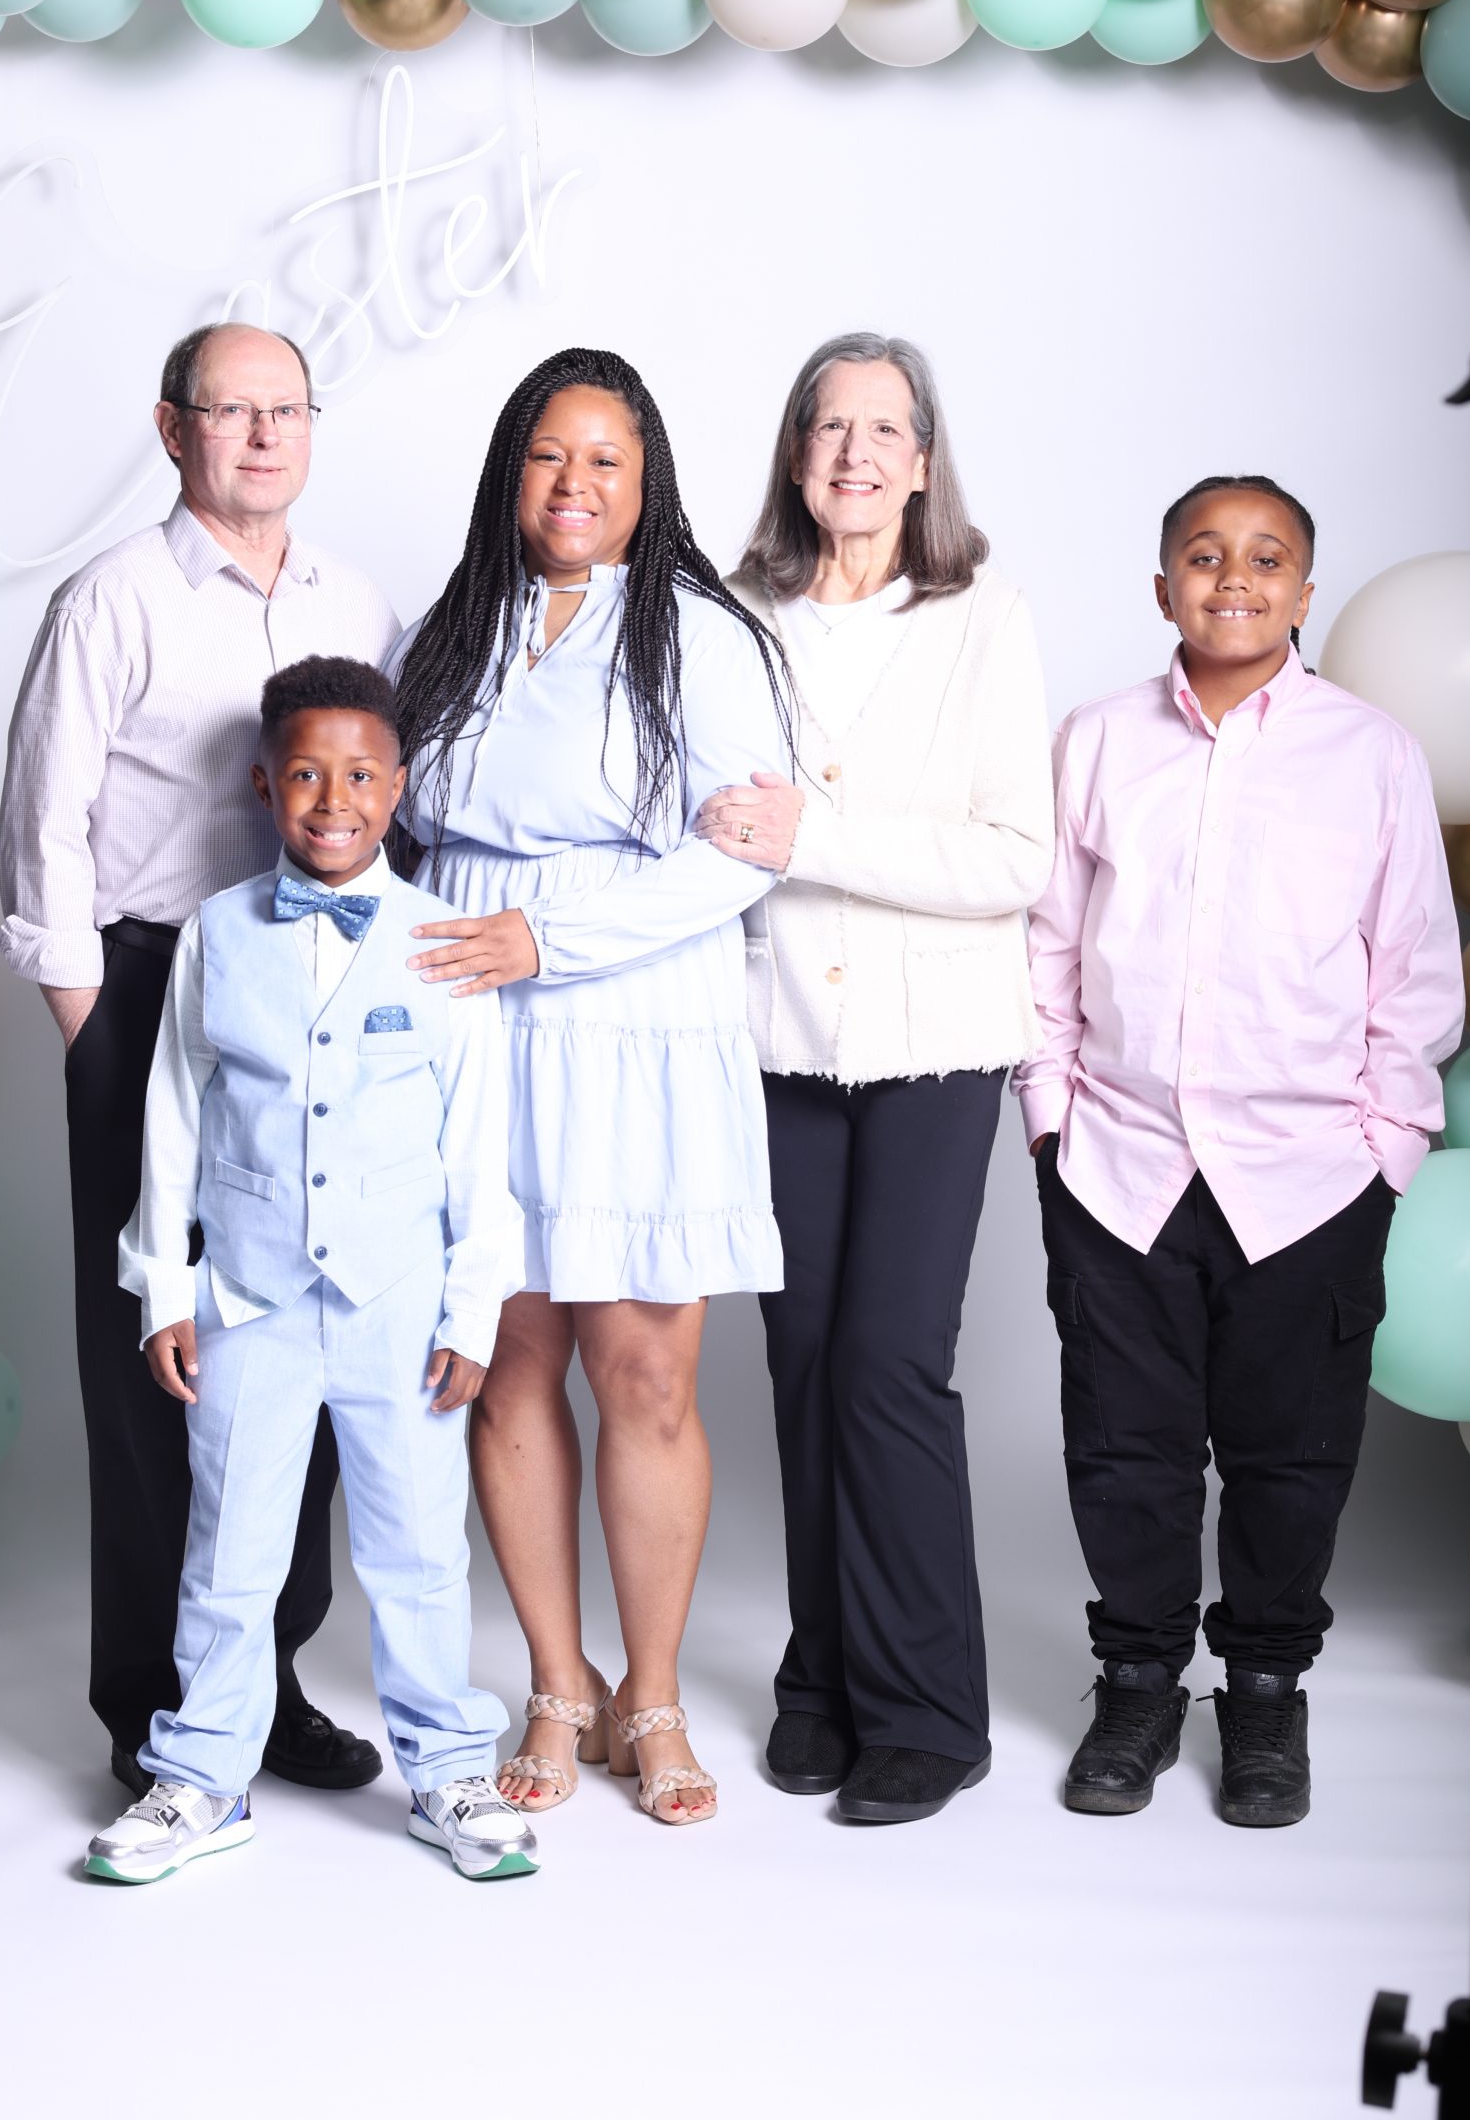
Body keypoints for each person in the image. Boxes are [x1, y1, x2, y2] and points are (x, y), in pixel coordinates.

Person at [1014, 475, 1464, 1828]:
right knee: (1124, 1446)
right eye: (1204, 556)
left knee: (1290, 1452)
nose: (1233, 579)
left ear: (1303, 593)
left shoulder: (1371, 754)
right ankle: (1137, 1683)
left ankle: (1265, 1690)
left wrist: (1386, 1151)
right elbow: (1046, 941)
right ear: (1162, 588)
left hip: (1311, 1174)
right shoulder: (1096, 742)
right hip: (1118, 1165)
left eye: (1266, 559)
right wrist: (1050, 1117)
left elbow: (1412, 965)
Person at [389, 344, 792, 1828]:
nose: (573, 484)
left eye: (604, 460)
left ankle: (654, 1694)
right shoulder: (450, 630)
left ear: (647, 481)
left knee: (645, 1375)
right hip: (468, 1019)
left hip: (631, 1013)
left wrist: (546, 938)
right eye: (548, 456)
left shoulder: (703, 635)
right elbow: (392, 826)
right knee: (506, 1363)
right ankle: (559, 1684)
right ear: (511, 472)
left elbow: (739, 854)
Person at [0, 323, 397, 1800]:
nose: (263, 435)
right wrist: (93, 1022)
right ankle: (151, 1701)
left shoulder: (354, 598)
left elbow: (377, 801)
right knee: (150, 1355)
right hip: (151, 983)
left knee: (295, 1333)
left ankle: (266, 1679)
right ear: (173, 430)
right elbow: (44, 820)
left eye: (285, 408)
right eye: (231, 411)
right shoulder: (113, 598)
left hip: (306, 987)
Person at [85, 657, 533, 1884]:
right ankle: (203, 1776)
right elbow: (174, 1115)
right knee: (229, 1551)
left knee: (418, 1550)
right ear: (263, 785)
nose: (333, 801)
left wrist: (473, 1310)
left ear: (397, 786)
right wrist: (165, 1288)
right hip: (249, 1298)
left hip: (401, 1302)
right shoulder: (217, 933)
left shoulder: (442, 941)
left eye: (360, 777)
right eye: (305, 776)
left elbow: (476, 1141)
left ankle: (449, 1772)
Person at [704, 333, 1053, 1825]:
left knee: (888, 1363)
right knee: (797, 1363)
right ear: (796, 455)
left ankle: (928, 1712)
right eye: (827, 425)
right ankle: (824, 1681)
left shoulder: (982, 614)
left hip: (932, 1046)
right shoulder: (732, 615)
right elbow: (702, 814)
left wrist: (814, 838)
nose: (853, 452)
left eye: (883, 429)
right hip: (776, 1035)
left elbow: (1013, 858)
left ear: (921, 462)